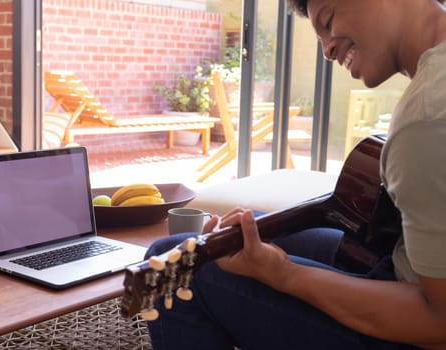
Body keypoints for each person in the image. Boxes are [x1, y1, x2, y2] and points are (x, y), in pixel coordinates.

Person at [143, 0, 446, 349]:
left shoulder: (426, 118)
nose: (328, 49)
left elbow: (438, 321)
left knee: (171, 269)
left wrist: (284, 275)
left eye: (329, 20)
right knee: (241, 235)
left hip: (413, 328)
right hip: (397, 259)